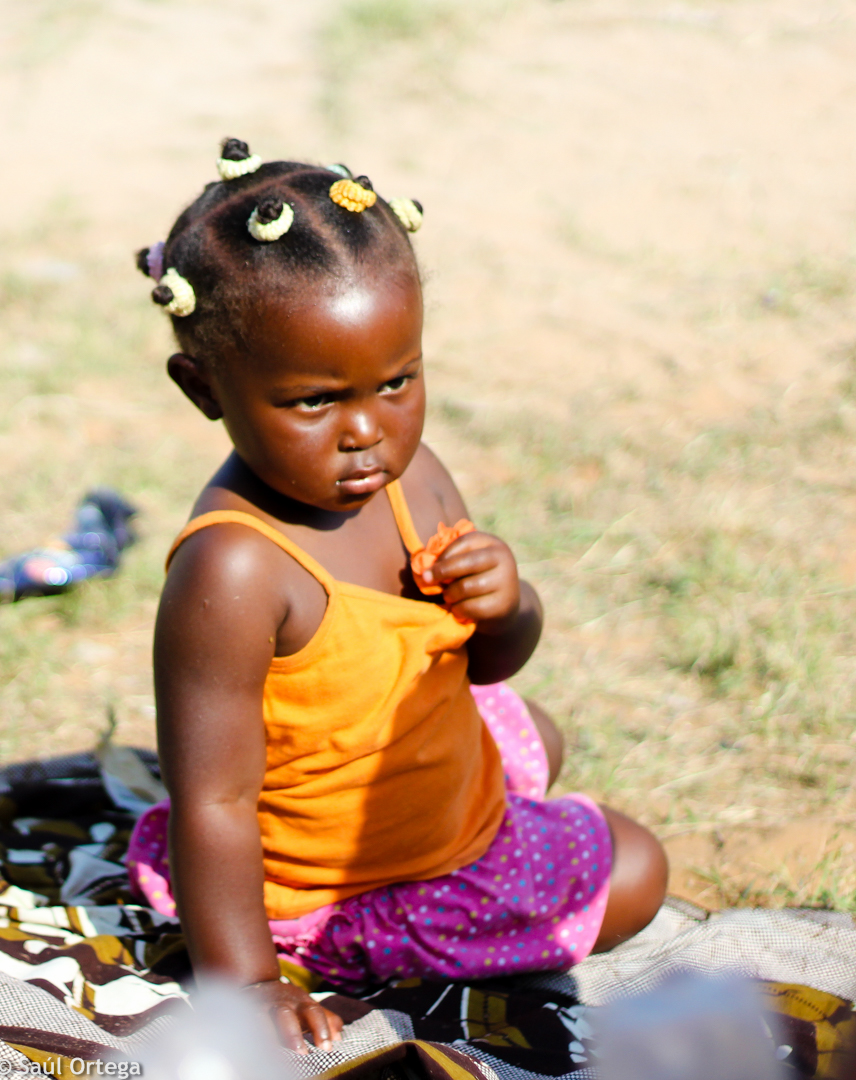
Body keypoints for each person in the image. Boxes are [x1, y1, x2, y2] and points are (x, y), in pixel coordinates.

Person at [123, 139, 669, 1053]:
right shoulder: (233, 572)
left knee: (532, 725)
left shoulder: (413, 481)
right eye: (314, 402)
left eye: (397, 381)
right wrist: (250, 982)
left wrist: (510, 603)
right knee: (637, 869)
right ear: (204, 389)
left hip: (421, 774)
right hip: (342, 883)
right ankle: (361, 957)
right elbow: (211, 802)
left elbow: (481, 663)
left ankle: (483, 830)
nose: (368, 431)